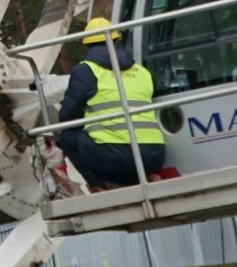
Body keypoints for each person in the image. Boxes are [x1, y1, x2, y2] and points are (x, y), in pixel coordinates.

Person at [56, 18, 170, 189]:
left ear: (87, 45)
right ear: (117, 40)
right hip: (154, 156)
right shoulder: (142, 71)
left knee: (66, 136)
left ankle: (99, 186)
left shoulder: (86, 71)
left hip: (116, 160)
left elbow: (67, 116)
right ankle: (150, 175)